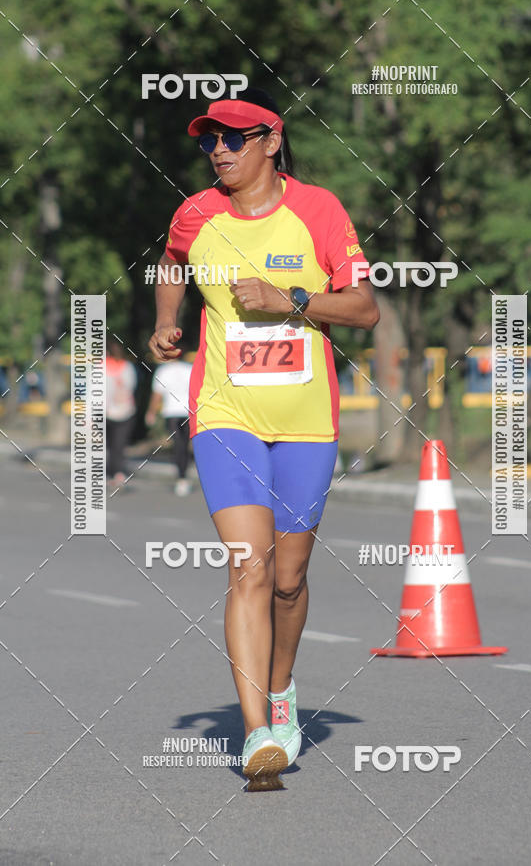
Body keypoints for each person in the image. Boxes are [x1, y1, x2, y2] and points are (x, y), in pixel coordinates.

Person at [148, 87, 379, 790]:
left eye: (233, 138)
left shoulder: (320, 210)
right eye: (208, 140)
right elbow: (171, 260)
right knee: (248, 567)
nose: (217, 150)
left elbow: (365, 311)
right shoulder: (196, 212)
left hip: (308, 420)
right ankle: (257, 736)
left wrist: (294, 300)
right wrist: (167, 317)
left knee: (288, 579)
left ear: (271, 143)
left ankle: (281, 690)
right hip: (225, 413)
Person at [146, 350, 194, 496]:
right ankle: (183, 476)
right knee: (184, 445)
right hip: (188, 411)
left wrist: (151, 412)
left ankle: (181, 477)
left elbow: (157, 395)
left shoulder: (163, 371)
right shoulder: (189, 369)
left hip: (171, 413)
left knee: (177, 444)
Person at [106, 339, 137, 486]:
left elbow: (130, 387)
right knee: (114, 444)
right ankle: (112, 471)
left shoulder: (126, 367)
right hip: (111, 412)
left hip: (122, 411)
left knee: (116, 444)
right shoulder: (103, 367)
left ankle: (117, 472)